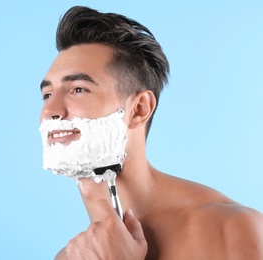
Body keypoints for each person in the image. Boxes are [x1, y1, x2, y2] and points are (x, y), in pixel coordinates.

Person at [39, 6, 263, 259]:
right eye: (47, 94)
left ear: (139, 109)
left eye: (78, 89)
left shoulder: (233, 230)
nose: (50, 111)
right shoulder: (69, 257)